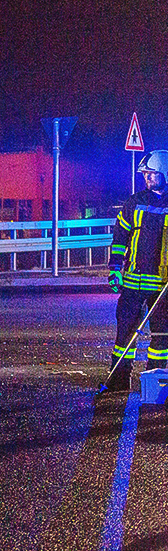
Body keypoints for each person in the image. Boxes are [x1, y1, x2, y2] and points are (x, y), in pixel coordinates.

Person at [106, 149, 168, 391]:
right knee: (125, 333)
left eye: (152, 173)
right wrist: (115, 268)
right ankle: (119, 380)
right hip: (132, 281)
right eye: (145, 174)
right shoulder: (134, 202)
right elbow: (120, 237)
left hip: (162, 284)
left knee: (161, 335)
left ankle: (155, 381)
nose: (148, 177)